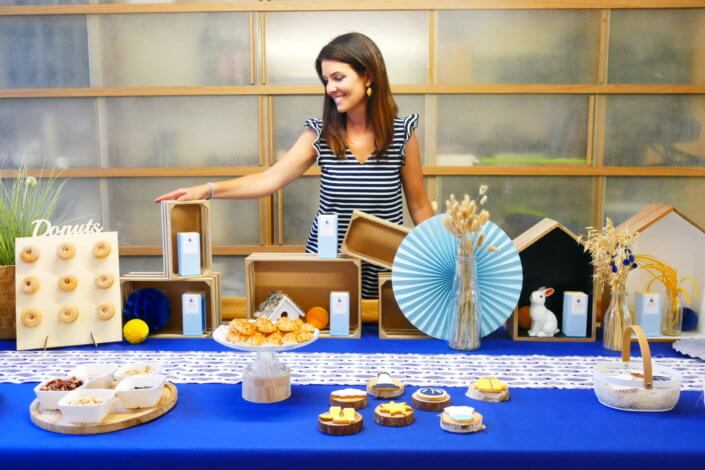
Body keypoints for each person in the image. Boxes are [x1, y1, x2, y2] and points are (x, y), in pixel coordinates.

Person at [155, 32, 434, 298]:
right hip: (329, 263)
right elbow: (271, 179)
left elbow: (419, 205)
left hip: (384, 261)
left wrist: (444, 254)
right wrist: (208, 190)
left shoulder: (402, 133)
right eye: (326, 80)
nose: (330, 88)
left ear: (368, 75)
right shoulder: (322, 133)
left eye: (338, 77)